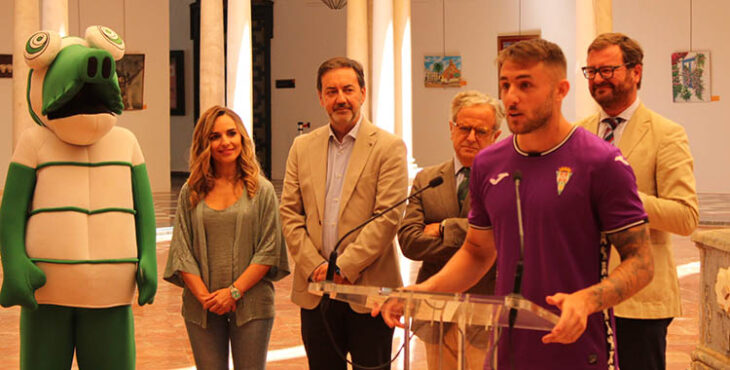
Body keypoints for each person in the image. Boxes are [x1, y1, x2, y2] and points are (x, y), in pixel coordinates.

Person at [375, 38, 654, 370]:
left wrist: (587, 300)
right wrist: (421, 291)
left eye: (525, 85)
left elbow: (642, 262)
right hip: (508, 352)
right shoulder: (489, 164)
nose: (511, 97)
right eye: (505, 85)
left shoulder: (602, 162)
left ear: (560, 90)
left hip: (579, 350)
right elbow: (477, 252)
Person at [576, 33, 699, 370]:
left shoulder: (666, 133)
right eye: (591, 71)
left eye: (608, 70)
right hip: (583, 295)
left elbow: (686, 217)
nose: (598, 79)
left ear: (636, 72)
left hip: (640, 300)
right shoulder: (578, 134)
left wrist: (625, 199)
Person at [279, 57, 408, 370]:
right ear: (321, 98)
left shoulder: (389, 148)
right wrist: (317, 266)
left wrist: (342, 267)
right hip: (315, 291)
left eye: (348, 89)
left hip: (370, 292)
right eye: (331, 91)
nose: (340, 98)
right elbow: (290, 214)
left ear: (362, 93)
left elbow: (387, 218)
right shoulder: (301, 147)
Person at [163, 105, 290, 370]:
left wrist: (233, 293)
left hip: (252, 304)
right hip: (202, 306)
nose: (225, 142)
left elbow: (269, 249)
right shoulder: (191, 191)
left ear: (242, 137)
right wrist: (205, 297)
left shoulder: (262, 190)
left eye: (231, 133)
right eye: (215, 136)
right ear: (204, 143)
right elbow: (182, 249)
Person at [397, 90, 502, 370]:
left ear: (496, 135)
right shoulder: (427, 179)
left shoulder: (504, 180)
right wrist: (475, 237)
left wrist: (445, 227)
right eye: (464, 127)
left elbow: (501, 236)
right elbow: (410, 242)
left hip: (486, 300)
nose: (470, 137)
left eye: (480, 131)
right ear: (451, 128)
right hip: (435, 306)